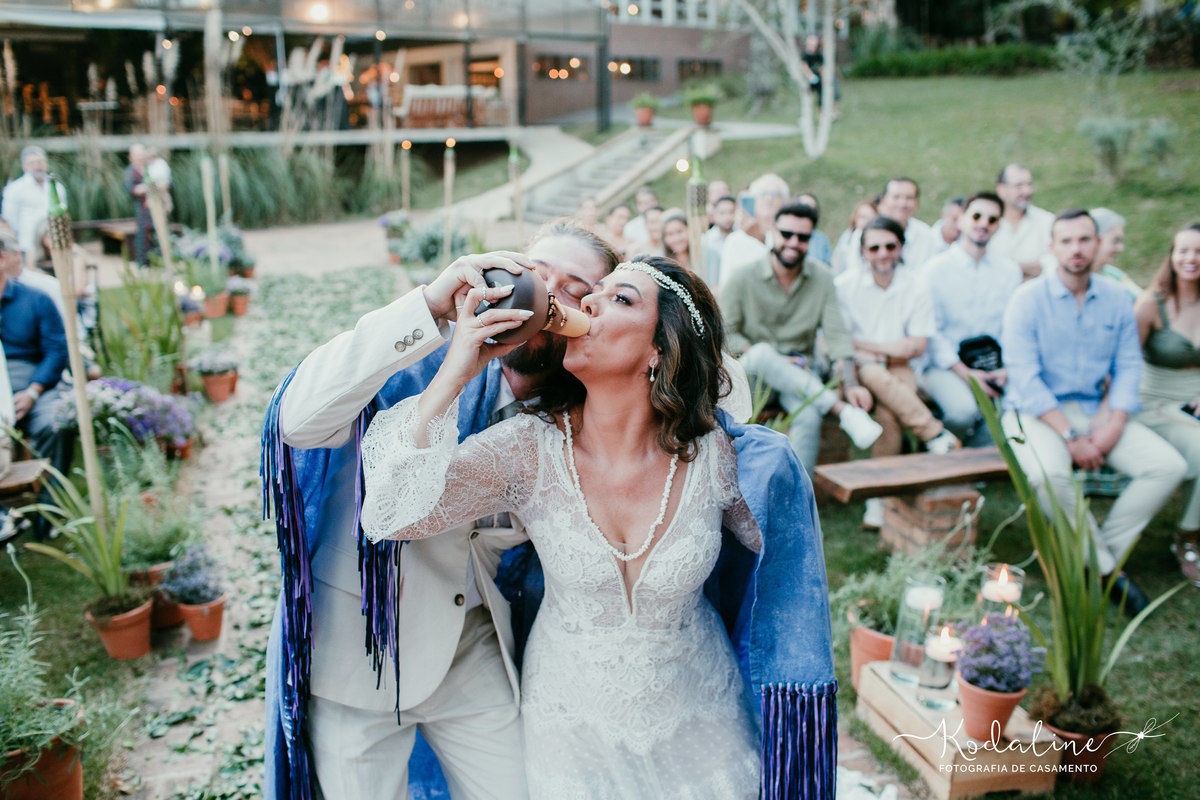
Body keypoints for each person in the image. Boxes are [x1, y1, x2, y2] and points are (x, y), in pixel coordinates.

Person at [360, 255, 837, 799]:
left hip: (701, 721)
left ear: (659, 349)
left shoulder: (720, 460)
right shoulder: (526, 450)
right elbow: (390, 514)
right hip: (569, 732)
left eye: (620, 298)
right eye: (593, 295)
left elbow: (784, 571)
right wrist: (457, 371)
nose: (587, 303)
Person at [263, 221, 619, 800]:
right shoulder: (410, 359)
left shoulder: (579, 417)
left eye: (574, 290)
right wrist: (434, 312)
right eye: (534, 274)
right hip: (358, 651)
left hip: (469, 647)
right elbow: (295, 423)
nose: (547, 296)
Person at [1001, 209, 1186, 615]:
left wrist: (1114, 421)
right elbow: (1026, 379)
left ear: (1098, 244)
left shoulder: (1118, 298)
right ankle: (1107, 572)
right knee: (1048, 475)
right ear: (1052, 248)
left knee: (1167, 466)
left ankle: (1093, 561)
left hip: (1097, 410)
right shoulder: (1026, 300)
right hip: (1037, 413)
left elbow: (1128, 366)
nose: (1076, 249)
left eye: (1085, 239)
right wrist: (1072, 437)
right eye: (1066, 241)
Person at [720, 200, 882, 470]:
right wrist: (765, 356)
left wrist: (851, 384)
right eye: (787, 234)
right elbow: (723, 334)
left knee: (809, 416)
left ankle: (799, 502)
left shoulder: (822, 278)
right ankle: (843, 412)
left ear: (811, 239)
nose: (794, 243)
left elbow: (837, 335)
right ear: (773, 232)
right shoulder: (741, 277)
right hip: (752, 379)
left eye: (803, 237)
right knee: (762, 354)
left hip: (799, 377)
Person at [836, 217, 960, 528]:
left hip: (901, 368)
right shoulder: (846, 286)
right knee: (874, 374)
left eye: (890, 246)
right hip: (860, 367)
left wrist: (872, 348)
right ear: (863, 251)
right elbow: (840, 343)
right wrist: (882, 350)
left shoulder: (917, 283)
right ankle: (934, 433)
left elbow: (916, 346)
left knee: (889, 415)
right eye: (874, 247)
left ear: (900, 247)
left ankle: (879, 503)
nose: (882, 253)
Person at [919, 192, 1023, 446]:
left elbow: (1013, 327)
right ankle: (946, 453)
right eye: (976, 216)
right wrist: (965, 373)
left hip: (995, 364)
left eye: (992, 219)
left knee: (1019, 406)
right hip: (945, 365)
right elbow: (932, 331)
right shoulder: (935, 270)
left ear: (999, 225)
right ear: (962, 220)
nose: (983, 224)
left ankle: (986, 467)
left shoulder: (1009, 271)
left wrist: (1006, 368)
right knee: (963, 412)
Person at [1132, 223, 1200, 586]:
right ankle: (1189, 536)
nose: (1191, 258)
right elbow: (1125, 362)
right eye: (1184, 250)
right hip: (1154, 401)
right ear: (1172, 257)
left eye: (1198, 251)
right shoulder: (1151, 304)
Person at [0, 230, 73, 509]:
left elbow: (56, 352)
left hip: (32, 388)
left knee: (56, 424)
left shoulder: (36, 299)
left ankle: (50, 509)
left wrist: (32, 391)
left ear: (3, 259)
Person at [844, 178, 938, 273]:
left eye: (909, 198)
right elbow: (854, 269)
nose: (902, 203)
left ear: (916, 203)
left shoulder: (926, 234)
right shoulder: (864, 231)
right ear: (883, 200)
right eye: (896, 197)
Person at [719, 172, 789, 287]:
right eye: (763, 194)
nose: (769, 199)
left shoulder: (790, 236)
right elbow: (727, 284)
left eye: (775, 194)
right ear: (753, 201)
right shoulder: (736, 241)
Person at [1, 146, 66, 265]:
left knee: (73, 252)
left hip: (52, 236)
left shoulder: (58, 188)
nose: (37, 166)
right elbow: (10, 221)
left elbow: (62, 215)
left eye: (40, 162)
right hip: (27, 243)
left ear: (46, 163)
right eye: (32, 163)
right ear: (24, 166)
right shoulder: (14, 189)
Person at [990, 163, 1054, 279]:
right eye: (1019, 186)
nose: (1027, 191)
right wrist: (1025, 269)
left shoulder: (1046, 221)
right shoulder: (987, 223)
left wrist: (1007, 269)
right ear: (1001, 190)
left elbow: (1055, 263)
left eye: (1029, 184)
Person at [1090, 207, 1140, 297]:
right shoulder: (1071, 279)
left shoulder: (1114, 274)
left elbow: (1141, 301)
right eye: (1115, 241)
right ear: (1096, 239)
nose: (1121, 248)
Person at [831, 199, 877, 276]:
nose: (867, 221)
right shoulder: (847, 238)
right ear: (855, 219)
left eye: (871, 217)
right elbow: (836, 266)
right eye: (863, 217)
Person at [796, 192, 834, 265]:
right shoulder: (786, 235)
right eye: (804, 207)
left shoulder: (822, 239)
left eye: (812, 209)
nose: (808, 212)